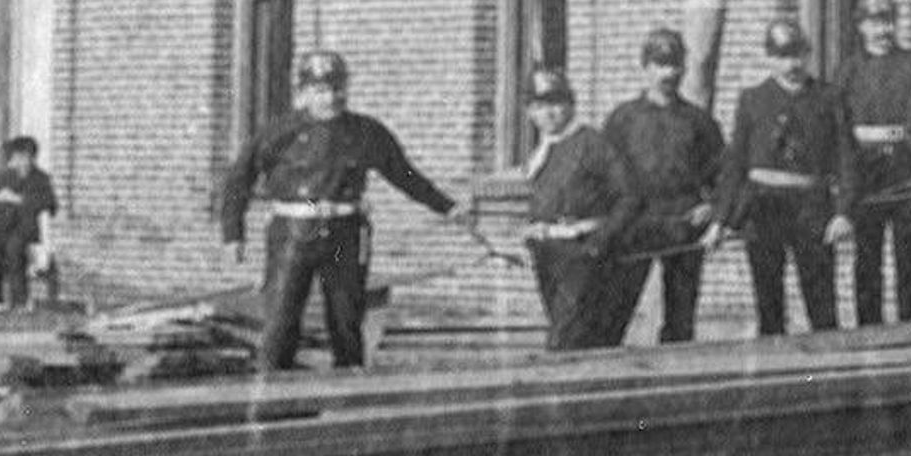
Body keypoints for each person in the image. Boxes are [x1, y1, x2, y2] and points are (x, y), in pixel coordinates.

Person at [214, 48, 461, 372]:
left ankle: (347, 401)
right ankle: (271, 404)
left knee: (346, 322)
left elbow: (405, 175)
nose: (330, 98)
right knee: (280, 321)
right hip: (292, 233)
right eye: (320, 91)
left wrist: (448, 207)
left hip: (346, 233)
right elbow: (238, 181)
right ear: (303, 93)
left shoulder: (366, 132)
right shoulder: (278, 132)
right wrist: (233, 235)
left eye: (336, 89)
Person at [598, 26, 727, 345]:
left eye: (674, 65)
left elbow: (723, 175)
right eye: (659, 65)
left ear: (683, 68)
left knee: (681, 318)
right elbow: (603, 175)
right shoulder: (622, 119)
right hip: (635, 224)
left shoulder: (699, 121)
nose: (668, 73)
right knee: (615, 310)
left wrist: (712, 208)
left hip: (682, 224)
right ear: (645, 68)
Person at [722, 17, 849, 337]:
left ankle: (827, 371)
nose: (791, 64)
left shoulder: (829, 97)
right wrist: (722, 218)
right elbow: (736, 163)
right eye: (782, 56)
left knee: (821, 298)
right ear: (769, 58)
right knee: (768, 299)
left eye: (797, 55)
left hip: (811, 205)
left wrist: (843, 212)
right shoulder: (753, 99)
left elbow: (847, 158)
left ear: (807, 55)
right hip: (764, 206)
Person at [832, 0, 911, 326]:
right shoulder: (847, 71)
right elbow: (839, 125)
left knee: (908, 250)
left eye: (888, 21)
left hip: (907, 164)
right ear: (860, 26)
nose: (883, 30)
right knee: (867, 252)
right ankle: (869, 327)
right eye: (874, 23)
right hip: (866, 168)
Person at [516, 66, 635, 350]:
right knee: (566, 327)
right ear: (530, 112)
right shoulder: (540, 151)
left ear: (571, 104)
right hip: (547, 252)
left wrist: (600, 241)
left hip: (581, 252)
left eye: (557, 103)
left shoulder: (593, 144)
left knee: (565, 337)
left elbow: (629, 197)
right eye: (540, 106)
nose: (549, 113)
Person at [0, 135, 58, 308]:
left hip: (25, 231)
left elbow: (50, 205)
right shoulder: (4, 176)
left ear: (32, 158)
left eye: (26, 157)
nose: (22, 162)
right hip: (1, 228)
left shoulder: (41, 179)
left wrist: (18, 199)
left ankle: (18, 301)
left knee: (14, 250)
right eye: (18, 157)